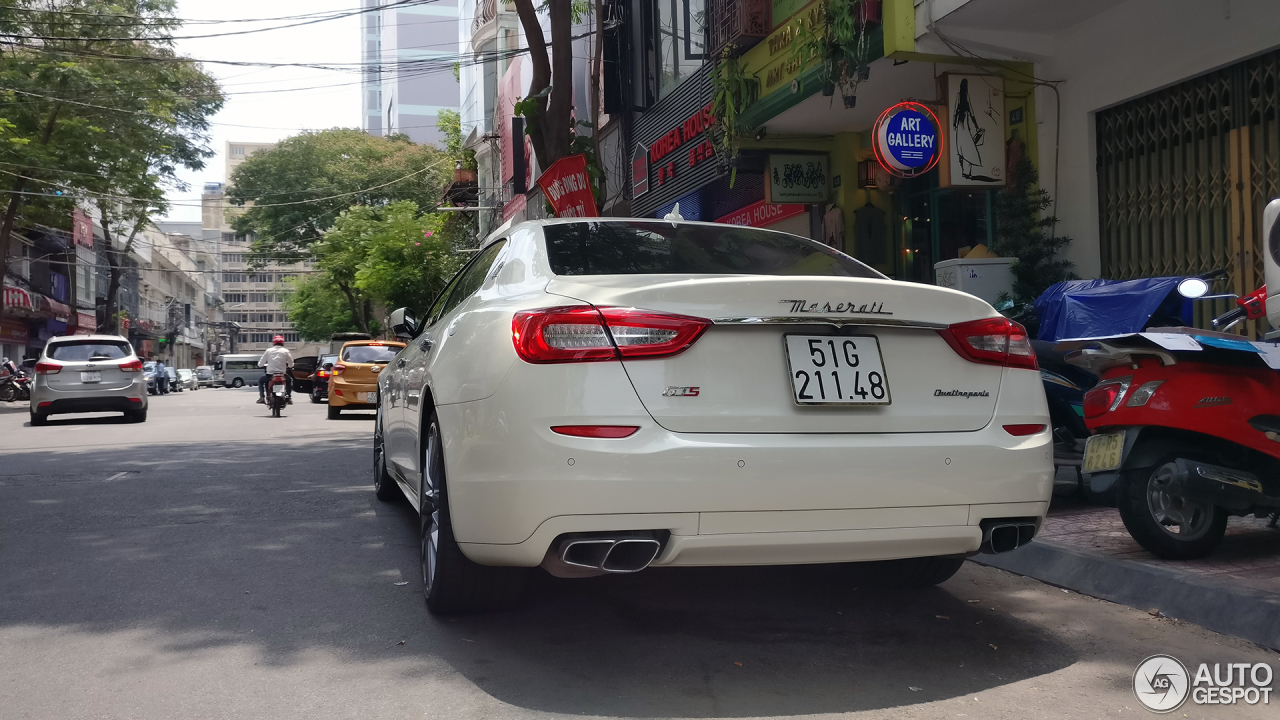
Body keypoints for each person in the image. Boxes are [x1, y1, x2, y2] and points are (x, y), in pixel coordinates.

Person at [257, 335, 294, 404]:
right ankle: (289, 397)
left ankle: (262, 397)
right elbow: (291, 363)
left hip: (270, 374)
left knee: (260, 381)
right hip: (282, 374)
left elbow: (261, 363)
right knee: (290, 381)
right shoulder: (286, 351)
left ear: (273, 343)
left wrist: (260, 365)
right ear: (283, 343)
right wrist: (290, 366)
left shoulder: (268, 351)